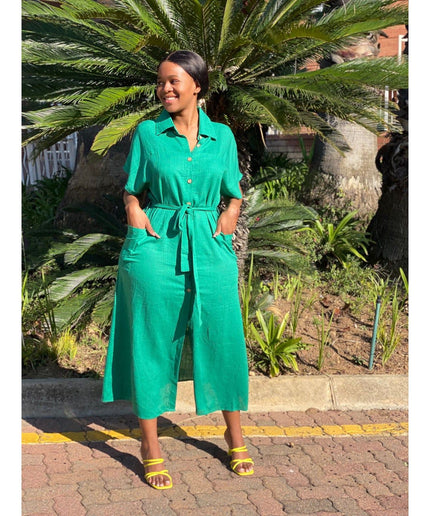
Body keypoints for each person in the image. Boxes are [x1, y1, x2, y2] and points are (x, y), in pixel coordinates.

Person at [102, 50, 254, 490]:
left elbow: (233, 190)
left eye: (174, 81)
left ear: (197, 86)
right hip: (156, 242)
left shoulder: (222, 136)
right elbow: (133, 189)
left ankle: (235, 435)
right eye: (161, 82)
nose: (164, 89)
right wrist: (134, 210)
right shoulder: (148, 134)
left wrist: (231, 212)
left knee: (223, 335)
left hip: (210, 242)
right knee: (151, 338)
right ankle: (150, 446)